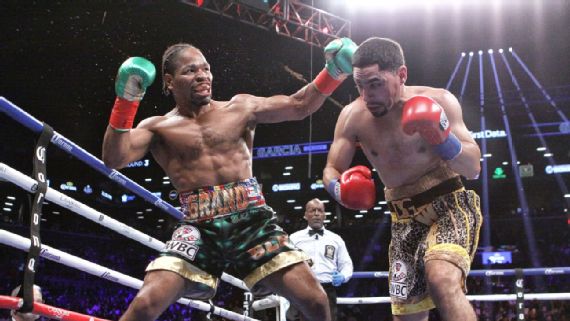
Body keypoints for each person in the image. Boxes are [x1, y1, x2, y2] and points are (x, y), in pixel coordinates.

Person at [102, 38, 356, 321]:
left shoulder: (240, 108)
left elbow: (299, 105)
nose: (202, 76)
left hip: (252, 223)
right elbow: (115, 158)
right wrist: (127, 100)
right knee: (146, 304)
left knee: (316, 300)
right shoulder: (158, 127)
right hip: (199, 229)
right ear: (169, 81)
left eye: (206, 69)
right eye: (190, 71)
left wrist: (334, 72)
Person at [323, 37, 482, 321]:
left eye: (375, 84)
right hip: (403, 219)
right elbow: (331, 170)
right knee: (408, 316)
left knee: (442, 280)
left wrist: (442, 139)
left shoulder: (439, 100)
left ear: (402, 75)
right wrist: (340, 190)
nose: (367, 95)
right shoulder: (352, 117)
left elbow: (473, 167)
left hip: (450, 206)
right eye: (359, 85)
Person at [288, 198, 353, 321]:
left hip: (327, 289)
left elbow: (346, 264)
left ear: (324, 215)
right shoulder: (294, 239)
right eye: (312, 210)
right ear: (306, 215)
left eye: (320, 211)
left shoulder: (336, 239)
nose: (316, 214)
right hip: (301, 288)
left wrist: (343, 276)